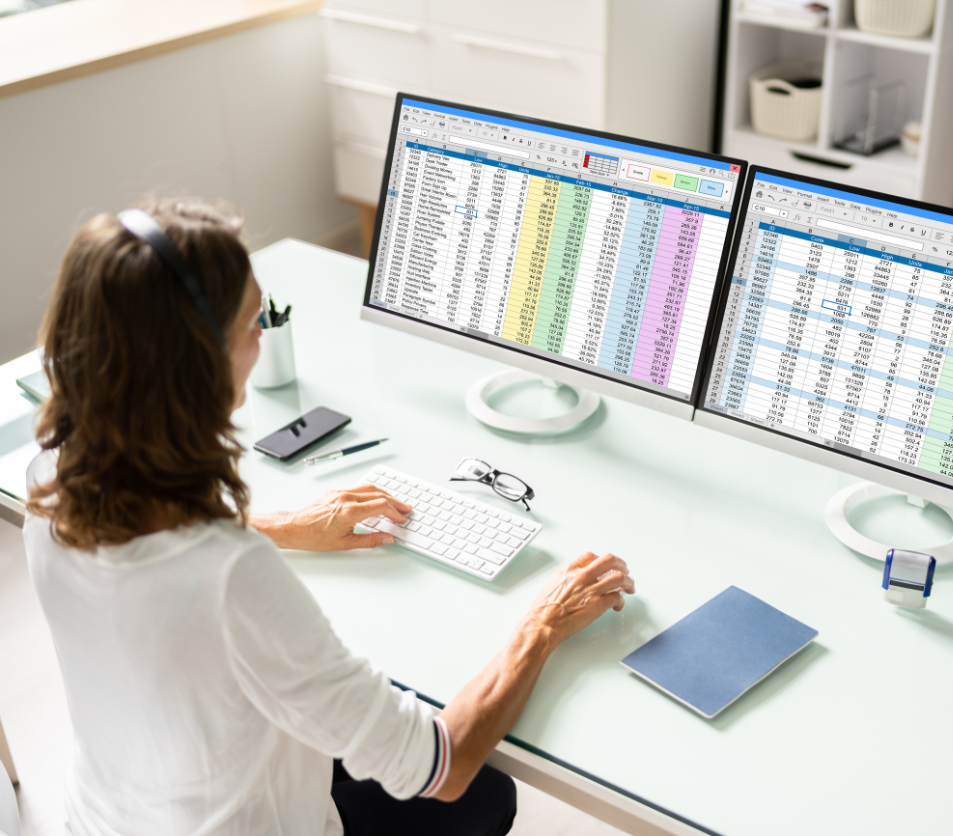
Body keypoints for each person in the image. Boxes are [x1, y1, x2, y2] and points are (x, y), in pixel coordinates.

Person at [23, 199, 635, 836]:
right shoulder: (232, 577)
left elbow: (161, 572)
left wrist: (285, 525)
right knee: (487, 791)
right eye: (250, 323)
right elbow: (441, 764)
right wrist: (541, 624)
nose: (264, 332)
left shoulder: (53, 471)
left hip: (110, 818)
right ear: (196, 367)